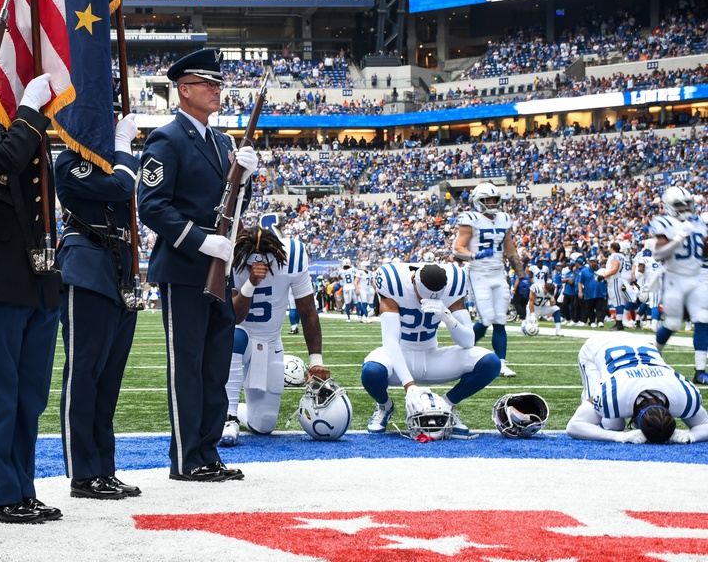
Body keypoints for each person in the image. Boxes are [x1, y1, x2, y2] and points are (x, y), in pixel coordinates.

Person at [137, 48, 257, 482]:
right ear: (183, 90)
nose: (216, 89)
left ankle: (207, 453)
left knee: (215, 365)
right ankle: (187, 458)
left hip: (218, 271)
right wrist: (202, 241)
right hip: (186, 268)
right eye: (207, 83)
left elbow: (231, 208)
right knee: (186, 365)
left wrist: (247, 177)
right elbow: (151, 206)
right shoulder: (166, 139)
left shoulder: (223, 142)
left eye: (218, 83)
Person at [0, 74, 65, 524]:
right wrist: (27, 111)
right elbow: (7, 158)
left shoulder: (32, 125)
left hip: (38, 272)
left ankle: (22, 485)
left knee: (30, 395)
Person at [54, 109, 142, 500]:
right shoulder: (70, 161)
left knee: (109, 379)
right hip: (86, 264)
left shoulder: (109, 159)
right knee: (84, 374)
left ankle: (104, 468)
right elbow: (122, 186)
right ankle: (83, 472)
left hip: (116, 267)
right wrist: (123, 147)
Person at [361, 260, 501, 436]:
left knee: (491, 362)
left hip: (432, 355)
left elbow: (467, 342)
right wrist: (409, 386)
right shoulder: (394, 279)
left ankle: (446, 405)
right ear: (413, 282)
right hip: (400, 354)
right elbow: (390, 341)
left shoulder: (455, 280)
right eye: (422, 295)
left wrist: (447, 317)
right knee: (371, 371)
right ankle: (385, 406)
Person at [221, 226, 328, 447]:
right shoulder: (231, 256)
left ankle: (225, 410)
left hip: (269, 342)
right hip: (239, 338)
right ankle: (227, 416)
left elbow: (307, 309)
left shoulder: (292, 257)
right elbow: (235, 318)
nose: (260, 266)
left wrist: (316, 362)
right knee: (236, 335)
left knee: (264, 425)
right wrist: (250, 283)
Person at [567, 332, 708, 443]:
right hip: (596, 347)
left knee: (613, 420)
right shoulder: (615, 395)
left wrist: (691, 436)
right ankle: (588, 398)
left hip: (638, 343)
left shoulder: (682, 396)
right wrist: (618, 436)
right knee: (611, 425)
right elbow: (574, 426)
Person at [452, 182, 523, 377]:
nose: (491, 203)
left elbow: (510, 248)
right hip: (478, 273)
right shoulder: (470, 219)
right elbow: (458, 248)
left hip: (498, 272)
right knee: (486, 318)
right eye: (487, 200)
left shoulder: (504, 219)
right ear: (477, 201)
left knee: (500, 319)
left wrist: (521, 273)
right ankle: (463, 354)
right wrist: (475, 256)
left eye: (494, 199)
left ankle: (501, 363)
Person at [649, 186, 708, 384]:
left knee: (703, 319)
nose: (684, 208)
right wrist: (680, 237)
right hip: (674, 277)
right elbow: (658, 254)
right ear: (669, 206)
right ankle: (652, 357)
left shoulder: (699, 221)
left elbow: (704, 253)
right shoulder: (662, 222)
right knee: (673, 324)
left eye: (687, 204)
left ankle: (700, 371)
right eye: (679, 205)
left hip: (696, 276)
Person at [597, 241, 630, 331]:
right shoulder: (623, 256)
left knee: (618, 302)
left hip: (616, 280)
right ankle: (619, 322)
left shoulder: (615, 256)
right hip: (619, 280)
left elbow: (615, 269)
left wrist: (603, 276)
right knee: (619, 302)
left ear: (612, 248)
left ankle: (619, 324)